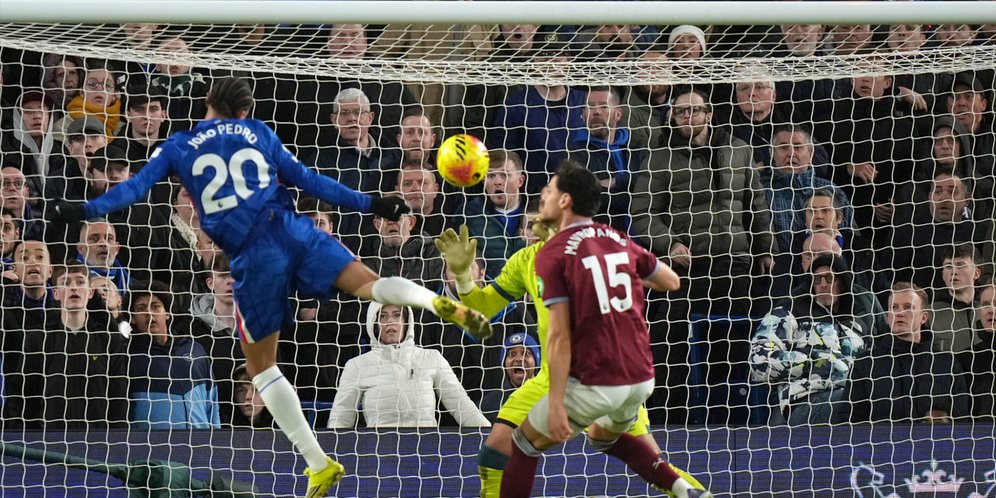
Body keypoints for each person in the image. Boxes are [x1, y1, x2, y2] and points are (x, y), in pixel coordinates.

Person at [47, 76, 493, 498]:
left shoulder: (179, 145)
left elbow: (132, 190)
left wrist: (81, 210)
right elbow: (311, 181)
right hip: (293, 229)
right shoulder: (259, 132)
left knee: (261, 368)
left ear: (207, 102)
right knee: (373, 287)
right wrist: (372, 202)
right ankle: (440, 302)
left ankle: (318, 462)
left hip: (254, 257)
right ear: (245, 111)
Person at [436, 218, 705, 498]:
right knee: (495, 452)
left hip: (601, 376)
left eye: (542, 220)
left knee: (654, 464)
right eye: (529, 225)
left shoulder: (590, 251)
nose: (534, 229)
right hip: (550, 378)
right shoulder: (524, 260)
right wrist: (464, 278)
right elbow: (483, 307)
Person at [499, 163, 708, 498]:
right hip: (641, 378)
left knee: (522, 443)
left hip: (598, 378)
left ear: (565, 201)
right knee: (601, 437)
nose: (543, 197)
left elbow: (559, 336)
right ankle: (683, 488)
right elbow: (671, 281)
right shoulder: (617, 238)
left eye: (549, 191)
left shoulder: (552, 254)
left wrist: (556, 403)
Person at [327, 302, 490, 428]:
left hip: (427, 451)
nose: (390, 321)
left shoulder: (432, 358)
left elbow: (462, 407)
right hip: (379, 454)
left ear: (407, 322)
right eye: (383, 316)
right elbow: (340, 419)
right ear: (374, 324)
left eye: (397, 315)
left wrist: (490, 441)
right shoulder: (357, 366)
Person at [750, 255, 869, 425]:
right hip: (805, 400)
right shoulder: (789, 311)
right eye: (817, 279)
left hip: (850, 395)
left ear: (843, 283)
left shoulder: (857, 325)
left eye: (829, 278)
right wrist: (813, 364)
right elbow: (759, 361)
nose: (823, 284)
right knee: (856, 405)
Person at [845, 283, 971, 423]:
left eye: (908, 307)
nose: (900, 313)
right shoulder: (866, 364)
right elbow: (849, 421)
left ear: (924, 317)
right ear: (888, 317)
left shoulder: (947, 365)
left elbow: (962, 422)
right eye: (894, 307)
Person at [480, 332, 541, 423]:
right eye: (512, 354)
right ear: (504, 364)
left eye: (526, 353)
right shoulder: (490, 403)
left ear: (536, 362)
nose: (519, 359)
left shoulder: (549, 398)